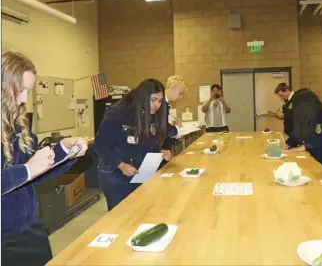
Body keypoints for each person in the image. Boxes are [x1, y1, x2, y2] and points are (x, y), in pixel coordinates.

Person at [1, 51, 88, 266]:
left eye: (28, 91)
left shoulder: (18, 124)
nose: (24, 99)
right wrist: (28, 170)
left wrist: (63, 151)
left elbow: (35, 171)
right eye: (20, 90)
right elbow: (28, 171)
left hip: (29, 228)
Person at [93, 79, 172, 211]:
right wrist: (121, 165)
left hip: (139, 173)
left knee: (139, 212)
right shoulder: (118, 112)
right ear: (143, 96)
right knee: (121, 216)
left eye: (159, 101)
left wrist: (162, 151)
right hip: (115, 174)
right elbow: (100, 145)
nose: (156, 105)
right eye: (153, 100)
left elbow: (150, 141)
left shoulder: (152, 115)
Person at [284, 89, 322, 175]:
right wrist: (288, 144)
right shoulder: (305, 114)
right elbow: (298, 132)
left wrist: (305, 147)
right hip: (313, 154)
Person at [162, 75, 188, 152]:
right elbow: (163, 130)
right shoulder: (161, 104)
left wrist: (173, 126)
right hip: (161, 150)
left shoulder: (166, 104)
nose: (180, 97)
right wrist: (176, 128)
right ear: (173, 87)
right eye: (180, 93)